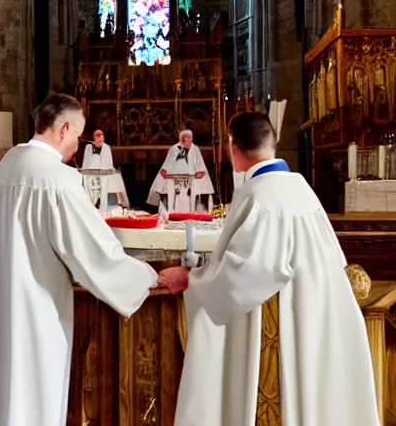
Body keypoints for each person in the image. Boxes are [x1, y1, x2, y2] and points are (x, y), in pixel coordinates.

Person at [159, 111, 380, 426]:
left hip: (281, 325)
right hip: (314, 320)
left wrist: (192, 279)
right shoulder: (301, 189)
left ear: (233, 146)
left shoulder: (261, 196)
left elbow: (248, 274)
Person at [0, 94, 159, 426]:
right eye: (77, 138)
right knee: (36, 398)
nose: (77, 148)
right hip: (36, 308)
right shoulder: (57, 177)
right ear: (64, 128)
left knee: (6, 397)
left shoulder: (9, 162)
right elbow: (91, 249)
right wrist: (148, 277)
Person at [146, 129, 214, 212]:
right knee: (174, 198)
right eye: (187, 138)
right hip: (175, 181)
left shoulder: (195, 149)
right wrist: (165, 170)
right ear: (182, 139)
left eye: (190, 138)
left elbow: (200, 163)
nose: (189, 140)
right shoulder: (174, 149)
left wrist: (201, 171)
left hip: (190, 181)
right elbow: (168, 163)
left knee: (191, 200)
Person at [81, 129, 129, 209]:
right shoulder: (88, 148)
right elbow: (85, 164)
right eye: (97, 136)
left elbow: (108, 164)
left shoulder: (106, 148)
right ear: (93, 138)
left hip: (105, 176)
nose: (100, 138)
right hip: (90, 176)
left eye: (101, 136)